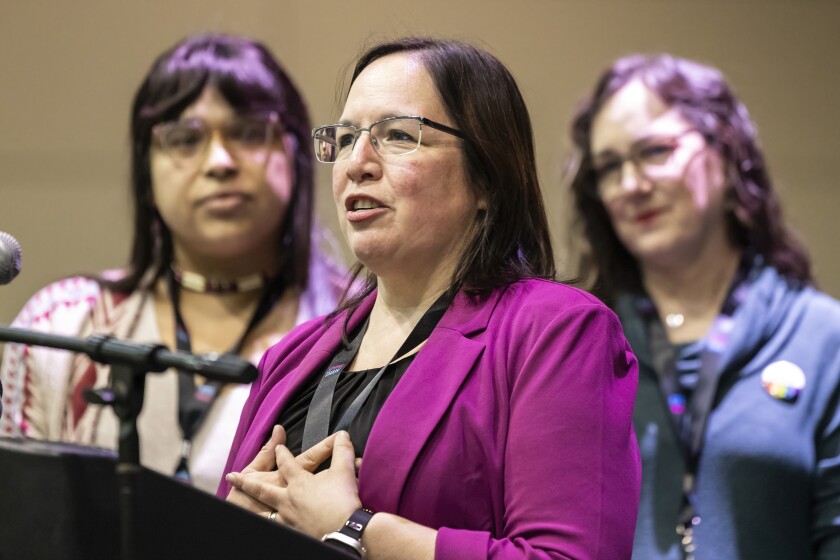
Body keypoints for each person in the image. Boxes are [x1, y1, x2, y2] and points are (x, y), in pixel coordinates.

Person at [218, 37, 640, 560]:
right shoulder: (292, 357)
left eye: (396, 136)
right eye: (346, 139)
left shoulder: (556, 332)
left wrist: (355, 530)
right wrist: (225, 529)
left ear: (487, 176)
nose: (358, 162)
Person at [0, 34, 346, 494]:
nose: (220, 161)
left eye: (247, 133)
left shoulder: (360, 328)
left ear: (296, 154)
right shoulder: (61, 325)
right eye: (185, 139)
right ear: (147, 172)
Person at [567, 53, 840, 559]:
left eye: (654, 151)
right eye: (608, 168)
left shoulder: (823, 337)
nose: (631, 185)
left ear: (727, 152)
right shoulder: (578, 343)